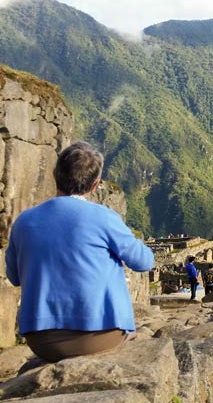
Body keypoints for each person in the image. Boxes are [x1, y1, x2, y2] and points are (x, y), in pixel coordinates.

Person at [4, 141, 154, 362]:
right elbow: (144, 262)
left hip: (41, 340)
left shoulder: (23, 221)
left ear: (54, 174)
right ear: (95, 185)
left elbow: (14, 277)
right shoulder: (103, 217)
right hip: (99, 334)